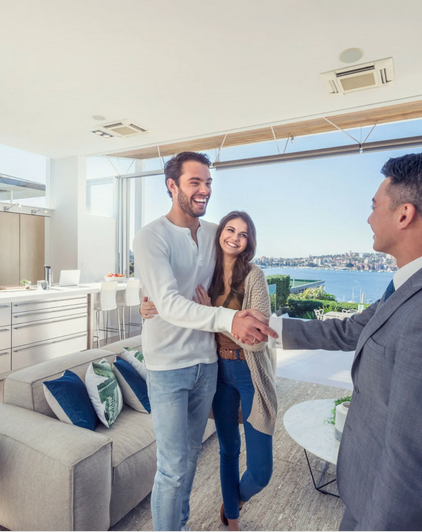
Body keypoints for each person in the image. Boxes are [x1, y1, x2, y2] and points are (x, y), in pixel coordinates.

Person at [248, 151, 422, 531]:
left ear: (404, 214)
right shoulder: (420, 281)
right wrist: (273, 328)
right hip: (368, 489)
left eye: (374, 205)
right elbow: (354, 329)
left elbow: (413, 465)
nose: (368, 217)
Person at [133, 152, 276, 532]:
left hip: (207, 363)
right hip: (167, 366)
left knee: (192, 458)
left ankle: (179, 523)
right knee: (172, 467)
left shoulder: (215, 233)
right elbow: (168, 301)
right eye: (195, 182)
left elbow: (236, 272)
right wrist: (150, 301)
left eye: (208, 182)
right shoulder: (151, 236)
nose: (204, 190)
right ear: (172, 186)